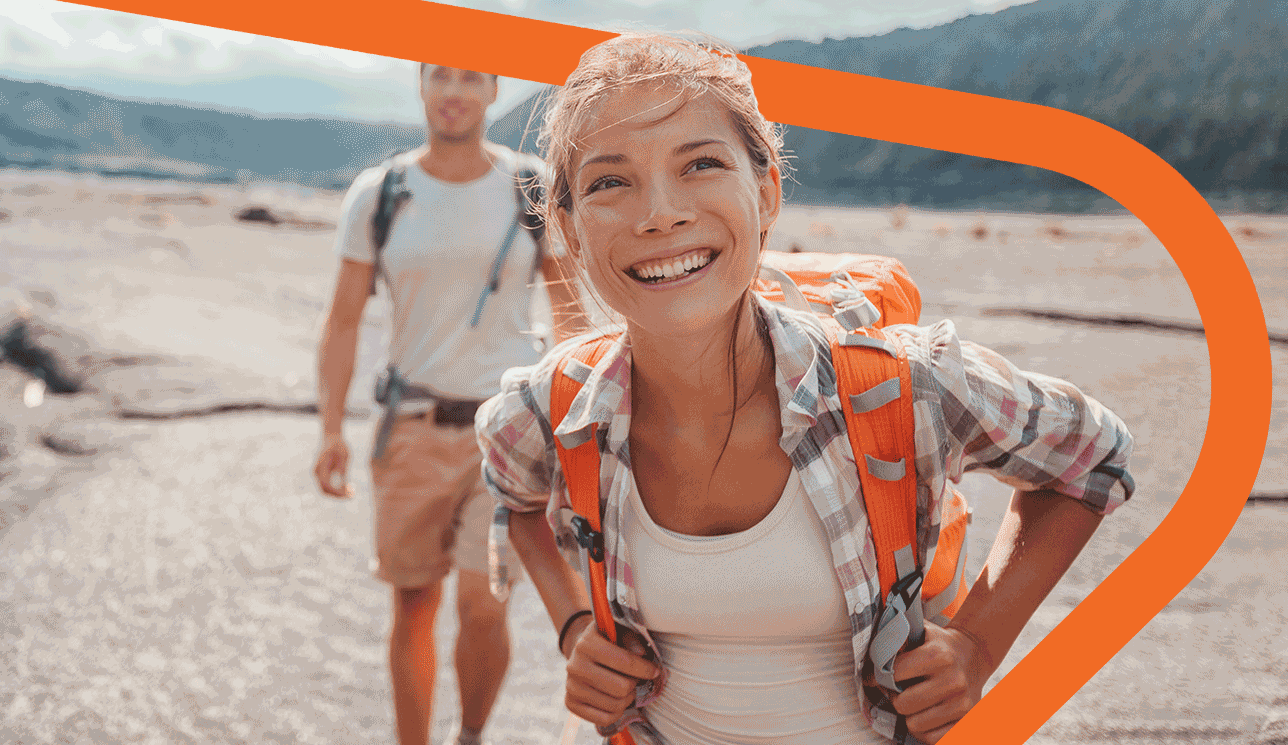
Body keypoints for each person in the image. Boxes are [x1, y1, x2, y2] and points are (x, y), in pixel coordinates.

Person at [475, 33, 1136, 744]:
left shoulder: (900, 385)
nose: (659, 214)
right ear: (569, 230)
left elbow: (1091, 455)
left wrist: (978, 646)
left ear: (766, 192)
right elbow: (510, 489)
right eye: (610, 181)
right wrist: (574, 627)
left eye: (700, 164)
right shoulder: (553, 405)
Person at [314, 63, 585, 745]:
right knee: (413, 604)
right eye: (441, 76)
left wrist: (579, 417)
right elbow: (343, 320)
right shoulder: (381, 194)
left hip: (508, 435)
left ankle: (468, 734)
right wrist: (329, 429)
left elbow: (569, 307)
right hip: (409, 428)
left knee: (483, 603)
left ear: (494, 89)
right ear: (422, 86)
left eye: (471, 77)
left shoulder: (530, 185)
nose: (455, 92)